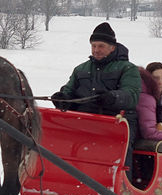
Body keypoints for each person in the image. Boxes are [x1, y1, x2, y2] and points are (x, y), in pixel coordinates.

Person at [51, 22, 141, 167]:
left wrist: (112, 98)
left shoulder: (128, 69)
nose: (96, 50)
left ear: (112, 47)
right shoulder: (80, 69)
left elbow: (132, 96)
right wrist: (63, 99)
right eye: (94, 46)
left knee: (119, 151)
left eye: (101, 46)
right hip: (83, 121)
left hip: (117, 122)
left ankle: (123, 184)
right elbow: (69, 91)